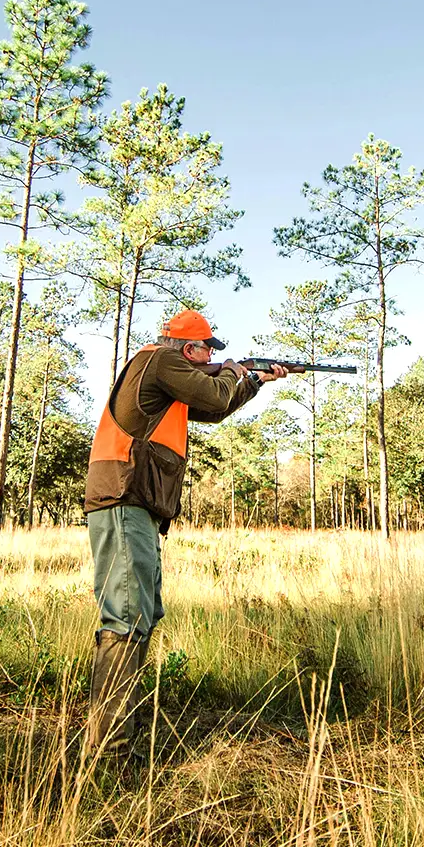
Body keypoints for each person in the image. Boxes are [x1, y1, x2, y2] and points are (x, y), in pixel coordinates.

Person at [78, 308, 286, 761]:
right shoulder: (160, 360)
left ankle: (118, 737)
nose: (212, 356)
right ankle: (108, 754)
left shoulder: (168, 375)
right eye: (209, 350)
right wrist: (236, 370)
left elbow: (214, 408)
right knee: (126, 618)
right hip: (124, 498)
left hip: (137, 504)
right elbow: (213, 394)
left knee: (141, 614)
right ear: (190, 349)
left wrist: (252, 381)